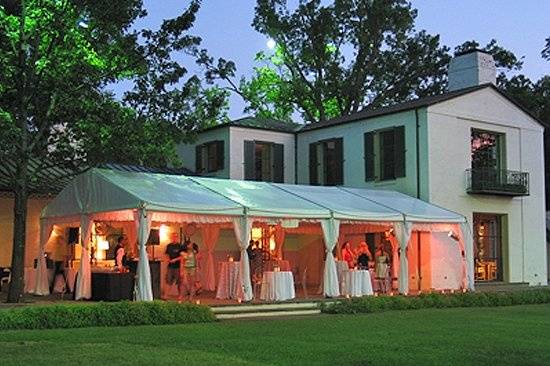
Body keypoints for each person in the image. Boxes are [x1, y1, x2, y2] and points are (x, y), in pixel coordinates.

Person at [164, 232, 183, 298]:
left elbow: (182, 256)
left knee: (179, 282)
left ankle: (180, 295)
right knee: (168, 280)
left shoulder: (180, 246)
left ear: (177, 238)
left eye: (176, 236)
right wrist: (168, 259)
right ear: (171, 237)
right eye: (173, 236)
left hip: (178, 267)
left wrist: (175, 260)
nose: (175, 238)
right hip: (170, 266)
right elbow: (166, 254)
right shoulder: (169, 246)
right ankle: (166, 295)